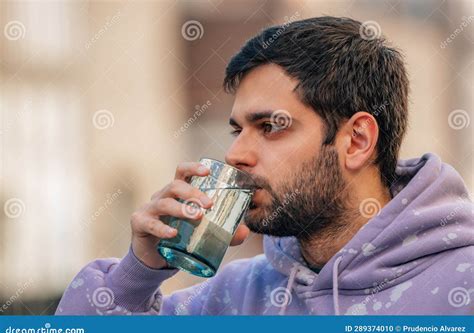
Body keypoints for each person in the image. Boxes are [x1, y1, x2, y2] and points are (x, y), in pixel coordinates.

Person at [56, 16, 473, 315]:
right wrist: (135, 276)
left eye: (271, 126)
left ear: (357, 141)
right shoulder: (234, 298)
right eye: (238, 130)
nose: (236, 154)